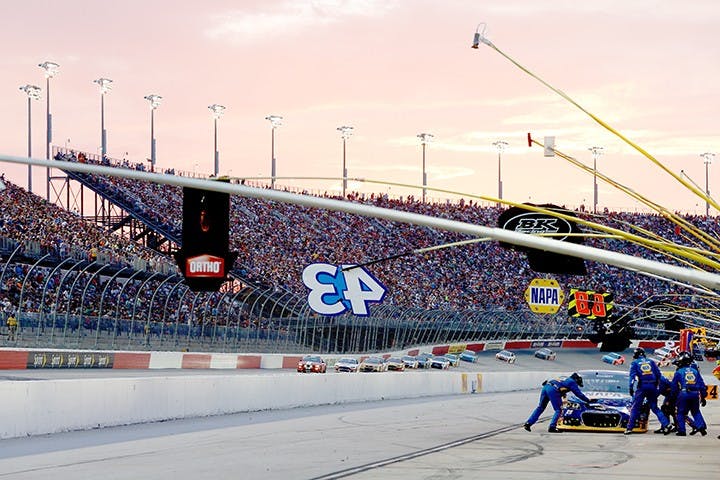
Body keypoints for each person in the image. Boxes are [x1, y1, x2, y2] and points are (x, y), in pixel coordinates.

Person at [524, 372, 593, 433]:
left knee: (540, 407)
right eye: (578, 383)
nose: (577, 385)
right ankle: (552, 427)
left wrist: (563, 395)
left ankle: (528, 423)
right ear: (577, 379)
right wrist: (587, 400)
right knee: (558, 409)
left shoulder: (565, 379)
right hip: (553, 390)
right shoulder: (572, 382)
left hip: (546, 387)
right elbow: (578, 394)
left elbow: (561, 388)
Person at [625, 347, 671, 434]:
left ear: (635, 355)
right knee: (655, 408)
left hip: (642, 387)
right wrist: (656, 385)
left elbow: (633, 378)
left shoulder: (634, 363)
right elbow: (659, 375)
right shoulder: (651, 362)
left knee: (635, 408)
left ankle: (629, 428)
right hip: (653, 387)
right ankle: (666, 424)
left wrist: (631, 388)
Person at [671, 351, 708, 436]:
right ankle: (701, 426)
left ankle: (682, 430)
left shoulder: (679, 372)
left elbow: (674, 386)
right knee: (696, 411)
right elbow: (702, 384)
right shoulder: (695, 371)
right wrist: (703, 396)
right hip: (695, 393)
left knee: (680, 412)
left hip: (684, 393)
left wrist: (673, 396)